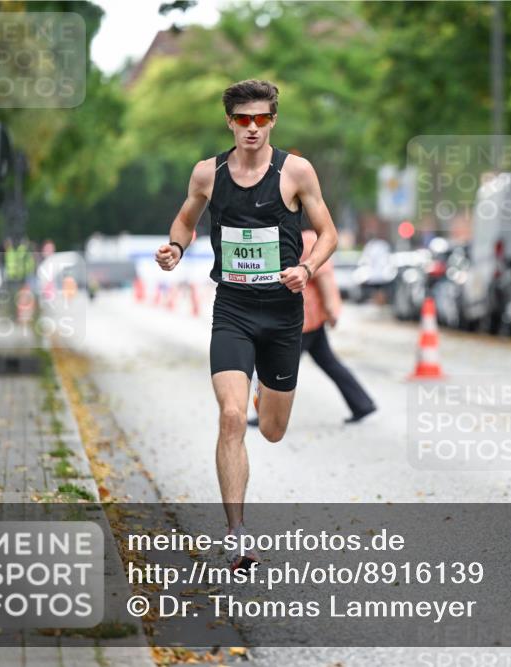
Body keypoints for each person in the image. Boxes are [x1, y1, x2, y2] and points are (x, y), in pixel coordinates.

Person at [154, 79, 337, 570]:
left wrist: (307, 268)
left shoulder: (295, 172)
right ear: (230, 122)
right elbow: (184, 222)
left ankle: (264, 392)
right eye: (243, 119)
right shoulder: (208, 174)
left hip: (281, 315)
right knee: (232, 418)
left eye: (261, 119)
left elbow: (328, 232)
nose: (252, 128)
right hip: (232, 310)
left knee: (272, 430)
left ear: (272, 120)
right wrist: (175, 248)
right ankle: (236, 533)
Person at [248, 223, 377, 428]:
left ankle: (267, 414)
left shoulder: (307, 240)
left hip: (303, 321)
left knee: (276, 367)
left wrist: (331, 309)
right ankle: (362, 404)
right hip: (306, 321)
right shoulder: (294, 237)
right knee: (329, 363)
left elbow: (324, 276)